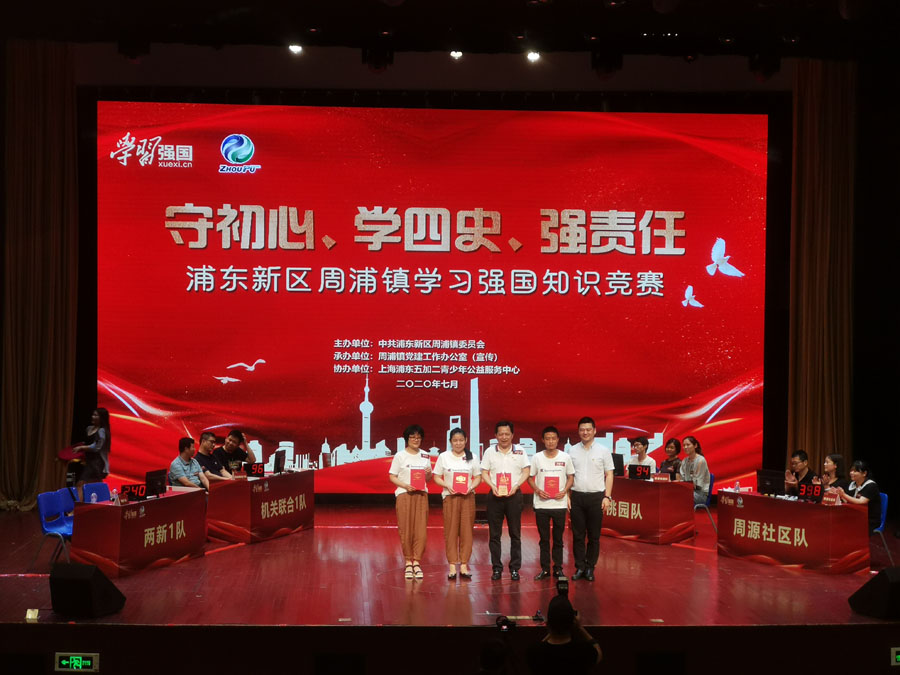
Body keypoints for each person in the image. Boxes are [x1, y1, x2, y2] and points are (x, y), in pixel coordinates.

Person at [481, 421, 531, 581]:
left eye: (507, 434)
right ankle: (496, 568)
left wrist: (516, 485)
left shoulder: (520, 451)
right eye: (501, 434)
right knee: (494, 535)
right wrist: (492, 486)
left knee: (515, 534)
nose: (504, 437)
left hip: (514, 496)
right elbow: (484, 472)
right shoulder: (489, 452)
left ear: (512, 435)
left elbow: (526, 471)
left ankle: (515, 568)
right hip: (494, 496)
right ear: (495, 436)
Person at [568, 417, 615, 582]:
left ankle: (590, 567)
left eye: (588, 429)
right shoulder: (572, 451)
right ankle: (580, 567)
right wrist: (567, 496)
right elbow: (568, 475)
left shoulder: (603, 450)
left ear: (594, 431)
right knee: (578, 535)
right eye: (582, 430)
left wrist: (607, 496)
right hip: (577, 497)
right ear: (578, 431)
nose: (585, 432)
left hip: (596, 497)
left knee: (594, 536)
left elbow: (609, 474)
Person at [432, 427, 481, 580]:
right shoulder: (444, 457)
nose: (458, 443)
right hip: (450, 497)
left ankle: (464, 565)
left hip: (468, 497)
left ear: (466, 441)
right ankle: (452, 565)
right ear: (450, 442)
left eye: (461, 440)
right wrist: (447, 485)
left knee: (467, 531)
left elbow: (478, 477)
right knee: (451, 531)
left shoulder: (472, 456)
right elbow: (436, 477)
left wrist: (470, 487)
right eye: (455, 440)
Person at [528, 426, 575, 580]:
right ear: (543, 440)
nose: (550, 441)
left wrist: (565, 491)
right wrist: (537, 490)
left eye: (553, 438)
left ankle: (558, 568)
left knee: (558, 539)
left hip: (559, 504)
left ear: (558, 440)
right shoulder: (537, 457)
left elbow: (571, 477)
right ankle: (545, 569)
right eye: (547, 438)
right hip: (542, 504)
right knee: (544, 539)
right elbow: (530, 477)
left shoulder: (565, 457)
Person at [389, 424, 432, 580]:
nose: (416, 440)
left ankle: (417, 562)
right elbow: (392, 476)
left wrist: (428, 474)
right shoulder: (400, 456)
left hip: (421, 495)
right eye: (412, 437)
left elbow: (428, 479)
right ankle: (408, 561)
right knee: (406, 529)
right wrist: (405, 485)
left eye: (418, 437)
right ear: (407, 439)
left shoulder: (425, 456)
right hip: (404, 494)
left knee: (421, 530)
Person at [525, 595, 602, 675]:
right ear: (573, 624)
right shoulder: (584, 651)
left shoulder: (534, 652)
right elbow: (598, 653)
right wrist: (579, 627)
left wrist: (553, 629)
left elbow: (537, 650)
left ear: (548, 624)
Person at [72, 408, 112, 501]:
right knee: (95, 484)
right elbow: (87, 442)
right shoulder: (89, 429)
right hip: (87, 461)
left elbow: (96, 447)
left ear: (101, 418)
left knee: (81, 483)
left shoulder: (102, 431)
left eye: (96, 415)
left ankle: (76, 506)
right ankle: (106, 500)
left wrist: (82, 448)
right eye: (93, 415)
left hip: (96, 462)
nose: (93, 417)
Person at [836, 460, 882, 532]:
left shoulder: (871, 485)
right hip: (855, 515)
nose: (851, 473)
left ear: (864, 473)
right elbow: (848, 501)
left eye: (855, 471)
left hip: (869, 519)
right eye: (851, 470)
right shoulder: (852, 484)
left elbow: (861, 501)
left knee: (844, 526)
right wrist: (840, 495)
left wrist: (844, 495)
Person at [679, 435, 710, 506]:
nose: (685, 447)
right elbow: (682, 479)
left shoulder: (701, 460)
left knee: (679, 496)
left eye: (688, 445)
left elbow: (698, 485)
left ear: (695, 445)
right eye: (684, 445)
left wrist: (683, 484)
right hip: (687, 490)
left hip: (700, 494)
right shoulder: (684, 461)